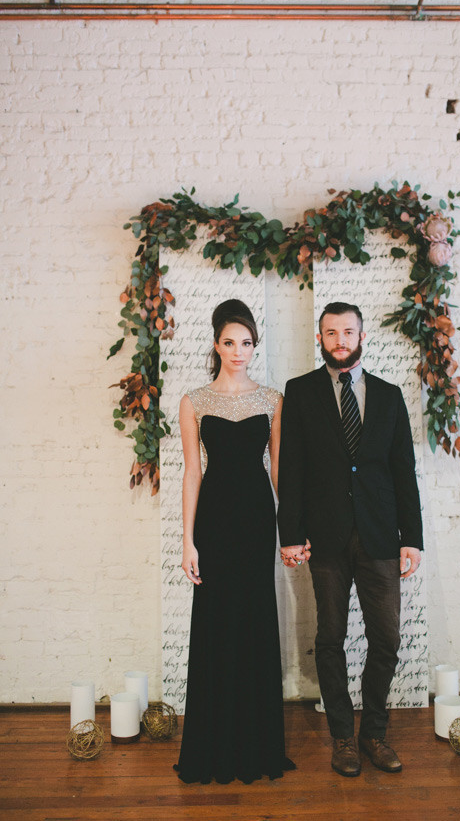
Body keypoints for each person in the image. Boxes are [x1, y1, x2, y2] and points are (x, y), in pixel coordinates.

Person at [278, 301, 423, 778]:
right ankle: (343, 737)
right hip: (326, 537)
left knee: (387, 639)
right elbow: (291, 469)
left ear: (362, 336)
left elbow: (404, 471)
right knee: (330, 639)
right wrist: (291, 535)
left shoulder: (389, 395)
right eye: (331, 333)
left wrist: (412, 538)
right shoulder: (300, 393)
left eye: (348, 331)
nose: (340, 340)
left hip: (381, 534)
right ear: (320, 338)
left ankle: (374, 733)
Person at [174, 299, 295, 785]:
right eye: (229, 342)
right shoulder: (195, 401)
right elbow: (191, 473)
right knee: (214, 624)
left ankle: (257, 745)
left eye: (246, 343)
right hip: (214, 523)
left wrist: (291, 530)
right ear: (216, 344)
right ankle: (213, 746)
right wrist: (187, 540)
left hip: (256, 522)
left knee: (254, 619)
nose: (238, 351)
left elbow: (279, 471)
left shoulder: (272, 400)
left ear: (254, 345)